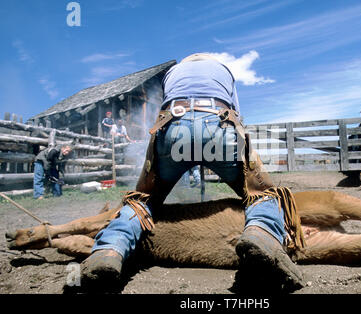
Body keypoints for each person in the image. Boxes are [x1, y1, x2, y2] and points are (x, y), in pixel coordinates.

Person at [79, 53, 306, 291]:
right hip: (218, 121)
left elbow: (165, 106)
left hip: (172, 124)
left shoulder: (171, 74)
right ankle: (262, 234)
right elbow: (237, 112)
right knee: (264, 193)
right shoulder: (224, 71)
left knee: (142, 202)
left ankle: (108, 250)